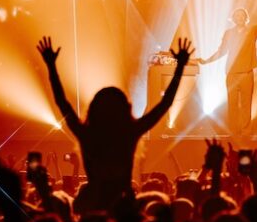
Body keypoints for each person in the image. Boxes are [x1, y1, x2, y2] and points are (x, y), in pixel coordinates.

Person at [36, 36, 194, 210]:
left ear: (94, 109)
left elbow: (62, 103)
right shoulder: (129, 133)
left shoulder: (88, 135)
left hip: (95, 207)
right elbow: (165, 104)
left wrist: (51, 66)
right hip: (123, 209)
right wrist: (180, 66)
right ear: (125, 109)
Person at [198, 0, 257, 139]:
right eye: (237, 15)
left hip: (247, 74)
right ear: (233, 19)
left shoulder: (252, 31)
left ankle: (246, 133)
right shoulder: (228, 33)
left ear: (246, 18)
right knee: (232, 105)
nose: (239, 17)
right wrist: (206, 61)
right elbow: (221, 51)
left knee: (246, 105)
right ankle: (233, 133)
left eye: (242, 15)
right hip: (232, 74)